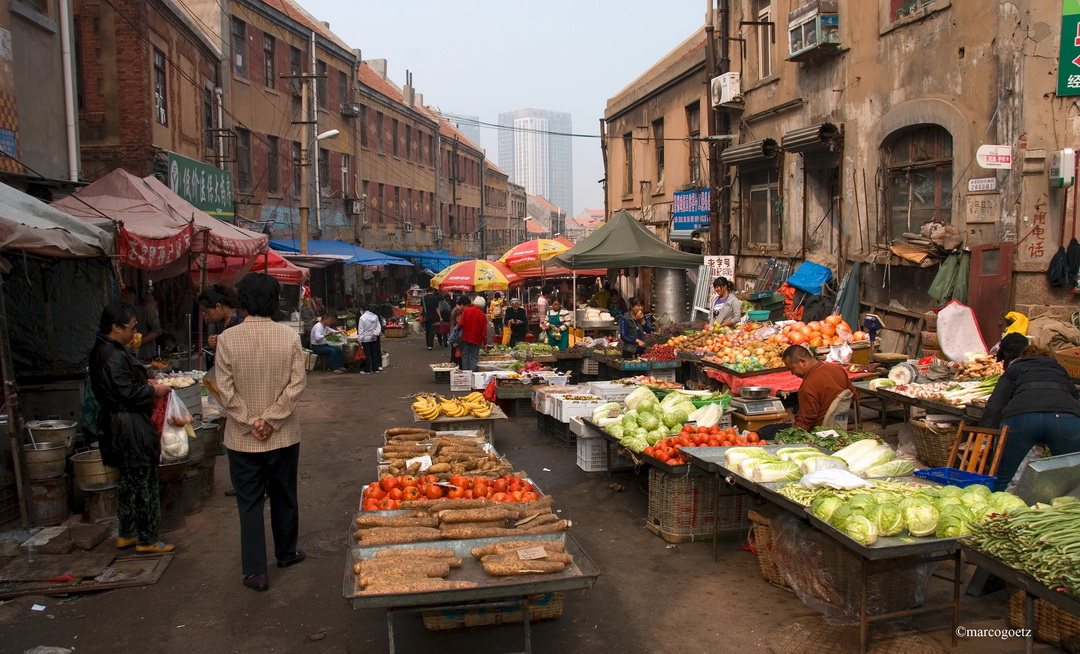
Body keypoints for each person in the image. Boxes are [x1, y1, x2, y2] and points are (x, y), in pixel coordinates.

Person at [215, 273, 308, 592]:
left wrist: (249, 420)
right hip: (282, 435)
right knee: (284, 494)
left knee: (250, 502)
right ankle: (286, 552)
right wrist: (271, 419)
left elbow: (223, 389)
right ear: (273, 300)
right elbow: (297, 385)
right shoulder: (289, 337)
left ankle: (255, 571)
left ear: (242, 301)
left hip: (242, 440)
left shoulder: (227, 338)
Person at [89, 301, 175, 554]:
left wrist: (142, 382)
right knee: (143, 481)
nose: (135, 332)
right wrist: (153, 389)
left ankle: (127, 534)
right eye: (132, 327)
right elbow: (126, 392)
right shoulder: (112, 354)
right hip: (127, 424)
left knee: (127, 481)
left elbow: (122, 385)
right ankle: (147, 539)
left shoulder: (104, 349)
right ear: (116, 327)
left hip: (117, 422)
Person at [979, 335, 1080, 490]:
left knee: (1001, 478)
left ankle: (992, 506)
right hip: (1065, 419)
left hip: (1022, 419)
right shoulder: (1060, 369)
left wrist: (984, 435)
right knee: (1073, 477)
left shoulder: (1015, 369)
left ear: (1022, 357)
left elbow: (996, 405)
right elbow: (1074, 398)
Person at [757, 345, 856, 440]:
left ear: (802, 362)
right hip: (839, 427)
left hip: (817, 433)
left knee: (766, 431)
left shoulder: (808, 387)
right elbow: (853, 394)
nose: (792, 373)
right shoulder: (837, 369)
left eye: (792, 368)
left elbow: (805, 423)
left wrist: (792, 438)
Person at [198, 284, 243, 368]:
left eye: (207, 312)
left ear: (218, 307)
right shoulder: (221, 323)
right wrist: (215, 344)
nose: (207, 317)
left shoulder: (241, 320)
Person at [121, 287, 161, 360]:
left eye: (127, 297)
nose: (125, 300)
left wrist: (139, 342)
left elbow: (157, 331)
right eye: (123, 297)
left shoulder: (144, 312)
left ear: (134, 298)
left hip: (146, 356)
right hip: (128, 357)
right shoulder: (119, 314)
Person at [458, 296, 487, 372]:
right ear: (483, 306)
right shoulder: (483, 315)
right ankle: (472, 373)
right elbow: (484, 331)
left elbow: (460, 324)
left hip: (466, 336)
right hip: (477, 339)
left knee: (465, 355)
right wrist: (484, 342)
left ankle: (465, 372)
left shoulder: (466, 310)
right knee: (474, 356)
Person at [356, 302, 383, 374]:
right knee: (374, 353)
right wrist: (376, 333)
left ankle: (367, 369)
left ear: (362, 310)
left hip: (365, 338)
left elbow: (361, 330)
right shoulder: (375, 316)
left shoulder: (362, 318)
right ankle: (375, 368)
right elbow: (378, 326)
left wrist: (360, 339)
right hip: (373, 337)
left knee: (367, 354)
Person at [448, 297, 465, 367]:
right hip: (456, 335)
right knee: (457, 353)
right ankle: (455, 367)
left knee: (454, 352)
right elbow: (460, 323)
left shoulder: (454, 309)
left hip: (452, 333)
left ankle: (452, 366)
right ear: (462, 304)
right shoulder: (458, 311)